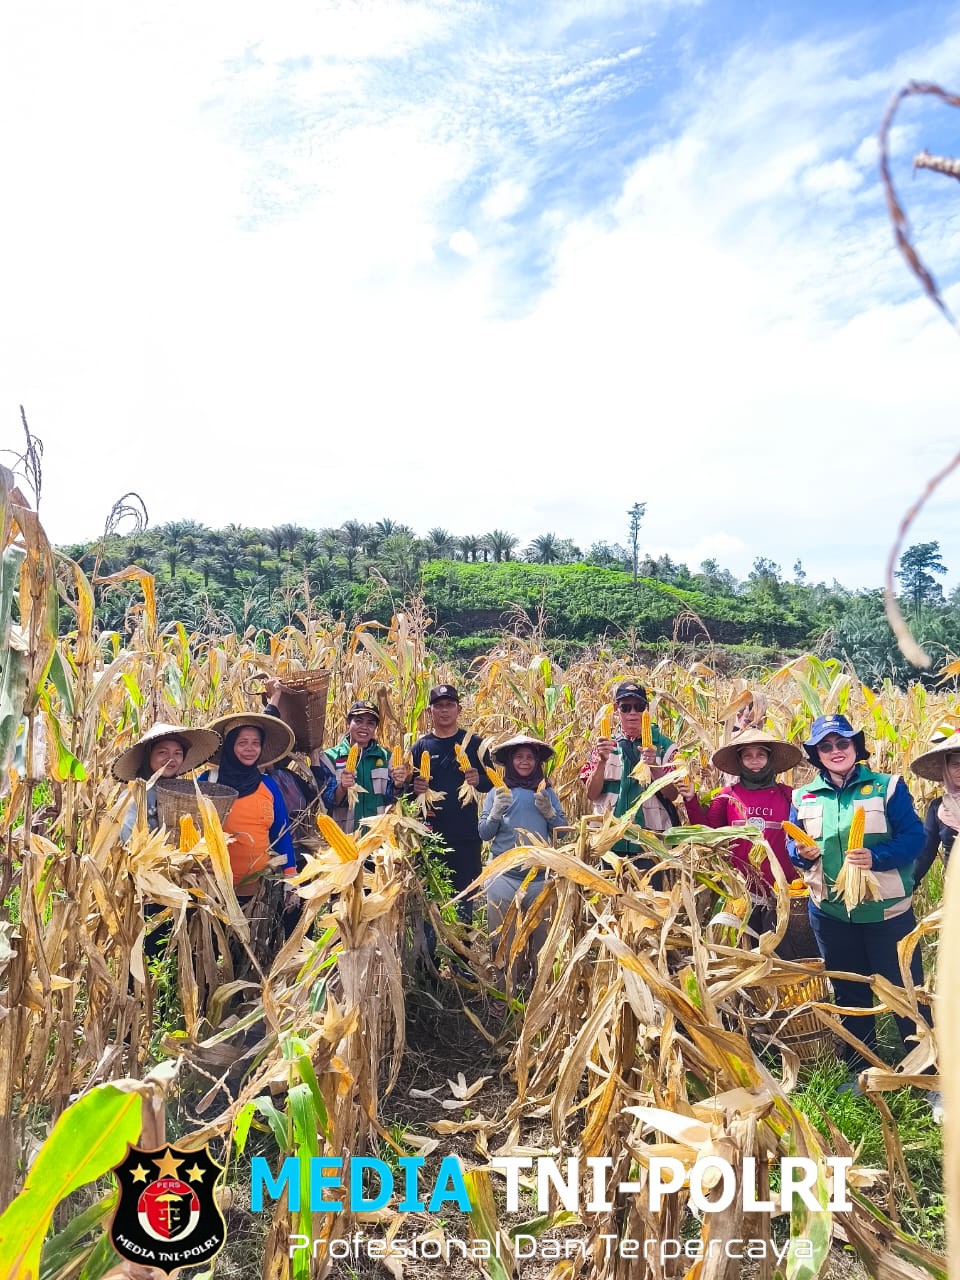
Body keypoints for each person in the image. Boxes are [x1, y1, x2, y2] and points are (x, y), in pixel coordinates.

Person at [786, 714, 926, 1077]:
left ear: (855, 747)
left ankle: (927, 1073)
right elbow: (791, 844)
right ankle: (859, 1070)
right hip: (831, 914)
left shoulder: (887, 788)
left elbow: (915, 838)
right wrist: (799, 852)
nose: (835, 751)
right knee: (848, 995)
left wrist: (876, 857)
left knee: (905, 995)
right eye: (826, 746)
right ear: (817, 754)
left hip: (887, 914)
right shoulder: (804, 797)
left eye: (842, 743)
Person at [678, 729, 803, 948]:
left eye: (761, 755)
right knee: (745, 952)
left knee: (782, 955)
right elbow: (708, 833)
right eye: (748, 756)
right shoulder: (727, 795)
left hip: (783, 891)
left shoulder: (789, 795)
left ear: (770, 759)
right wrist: (690, 799)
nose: (755, 761)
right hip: (741, 892)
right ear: (740, 761)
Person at [397, 684, 493, 923]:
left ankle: (461, 958)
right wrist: (413, 788)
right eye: (438, 706)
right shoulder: (420, 747)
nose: (444, 710)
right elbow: (405, 793)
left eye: (449, 705)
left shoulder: (474, 743)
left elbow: (492, 782)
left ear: (459, 709)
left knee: (463, 906)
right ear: (430, 712)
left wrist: (477, 779)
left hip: (466, 838)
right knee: (431, 907)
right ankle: (430, 959)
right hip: (430, 839)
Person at [479, 735, 566, 989]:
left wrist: (550, 813)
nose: (525, 761)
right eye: (519, 757)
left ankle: (538, 991)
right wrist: (495, 813)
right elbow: (484, 832)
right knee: (503, 940)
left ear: (538, 762)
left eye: (530, 757)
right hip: (504, 877)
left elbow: (563, 830)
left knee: (542, 940)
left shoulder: (547, 792)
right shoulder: (497, 793)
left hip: (540, 878)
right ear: (509, 761)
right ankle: (504, 990)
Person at [202, 713, 298, 897]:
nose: (250, 749)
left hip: (257, 894)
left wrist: (290, 878)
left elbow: (281, 832)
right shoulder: (209, 782)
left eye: (256, 743)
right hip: (213, 895)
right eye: (242, 742)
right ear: (230, 746)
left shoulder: (268, 785)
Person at [581, 681, 679, 859]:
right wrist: (602, 762)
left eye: (639, 706)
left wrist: (655, 768)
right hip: (609, 841)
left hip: (649, 842)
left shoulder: (666, 747)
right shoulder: (603, 746)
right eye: (626, 707)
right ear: (616, 709)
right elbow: (591, 794)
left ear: (646, 709)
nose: (633, 712)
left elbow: (674, 795)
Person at [115, 722, 222, 842]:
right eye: (163, 752)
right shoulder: (133, 797)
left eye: (177, 753)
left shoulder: (182, 793)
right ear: (148, 755)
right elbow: (129, 840)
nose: (171, 759)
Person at [322, 700, 398, 833]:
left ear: (375, 728)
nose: (364, 727)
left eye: (370, 723)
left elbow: (391, 799)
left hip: (378, 837)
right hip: (344, 837)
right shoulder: (330, 757)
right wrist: (342, 788)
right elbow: (326, 802)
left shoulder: (386, 757)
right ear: (348, 723)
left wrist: (399, 785)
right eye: (358, 721)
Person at [909, 734, 960, 885]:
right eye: (955, 764)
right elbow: (925, 854)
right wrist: (906, 887)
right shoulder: (939, 808)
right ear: (946, 768)